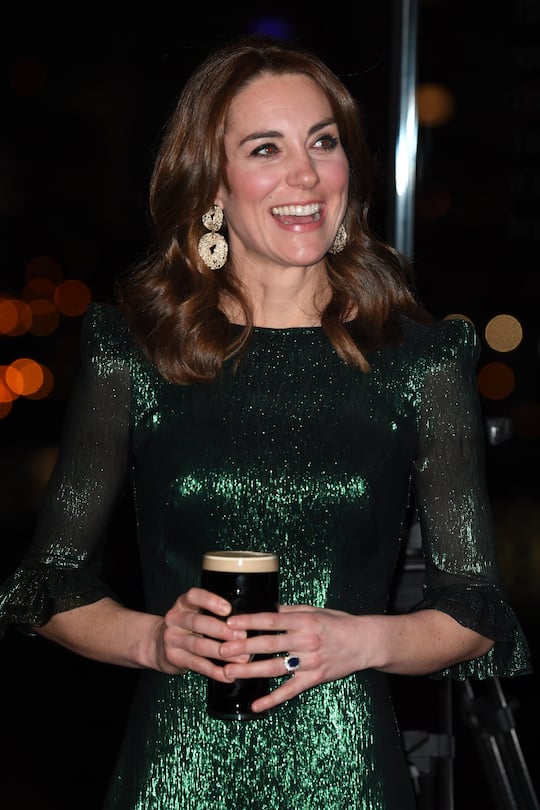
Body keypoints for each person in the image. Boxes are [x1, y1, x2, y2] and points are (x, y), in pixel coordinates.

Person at [0, 33, 532, 810]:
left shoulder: (419, 361)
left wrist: (362, 639)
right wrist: (154, 638)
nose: (306, 174)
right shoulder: (136, 356)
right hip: (177, 777)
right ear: (211, 187)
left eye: (323, 142)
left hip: (351, 776)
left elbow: (478, 609)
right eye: (264, 148)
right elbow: (43, 586)